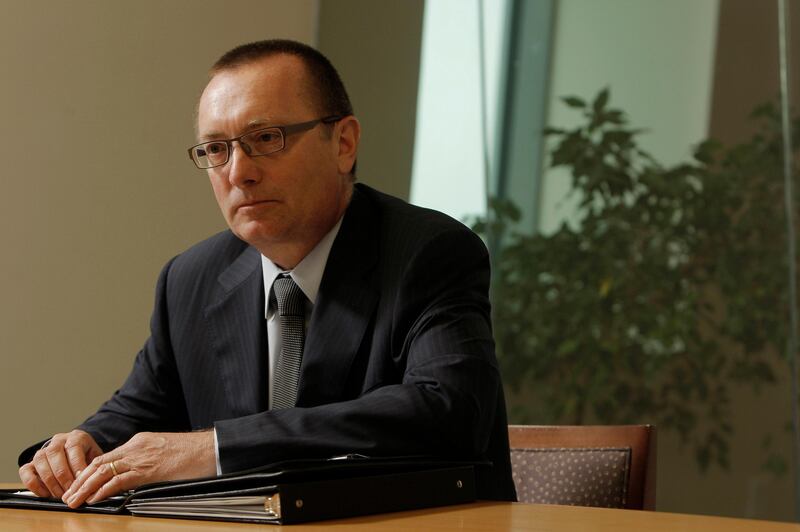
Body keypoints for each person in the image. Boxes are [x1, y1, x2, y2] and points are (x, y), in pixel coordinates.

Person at [17, 39, 516, 507]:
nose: (239, 172)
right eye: (216, 149)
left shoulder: (428, 253)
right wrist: (81, 446)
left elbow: (447, 411)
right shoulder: (191, 279)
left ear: (344, 143)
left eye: (266, 138)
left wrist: (215, 448)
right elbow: (138, 416)